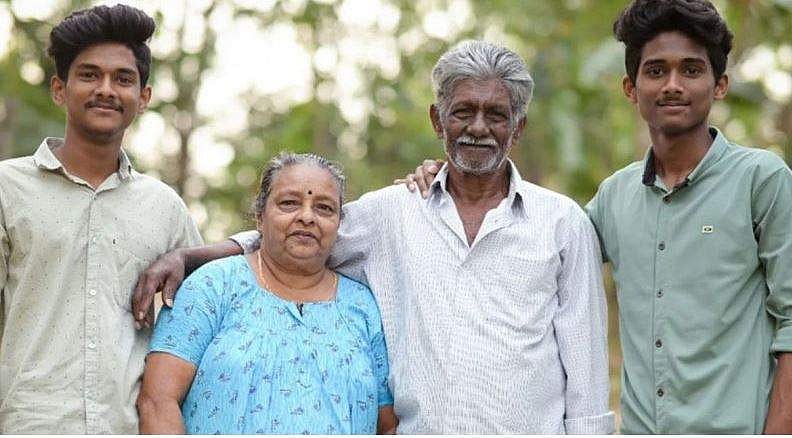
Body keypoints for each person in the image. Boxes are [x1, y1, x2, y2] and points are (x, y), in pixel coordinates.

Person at [133, 40, 614, 434]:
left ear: (519, 127)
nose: (478, 127)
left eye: (496, 114)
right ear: (437, 120)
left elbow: (587, 375)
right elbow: (299, 235)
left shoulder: (562, 224)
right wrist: (194, 257)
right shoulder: (391, 213)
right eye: (463, 111)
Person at [405, 0, 792, 433]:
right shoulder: (614, 197)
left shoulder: (761, 181)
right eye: (656, 71)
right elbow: (538, 244)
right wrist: (451, 179)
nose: (673, 85)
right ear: (631, 88)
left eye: (691, 70)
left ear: (719, 85)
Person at [0, 5, 202, 434]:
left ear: (143, 97)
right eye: (89, 75)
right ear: (60, 89)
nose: (106, 89)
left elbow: (205, 315)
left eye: (123, 79)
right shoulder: (6, 189)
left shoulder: (165, 208)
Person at [136, 153, 397, 434]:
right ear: (260, 217)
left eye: (324, 208)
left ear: (339, 225)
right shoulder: (212, 286)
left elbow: (387, 425)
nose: (307, 217)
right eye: (289, 203)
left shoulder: (363, 306)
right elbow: (157, 403)